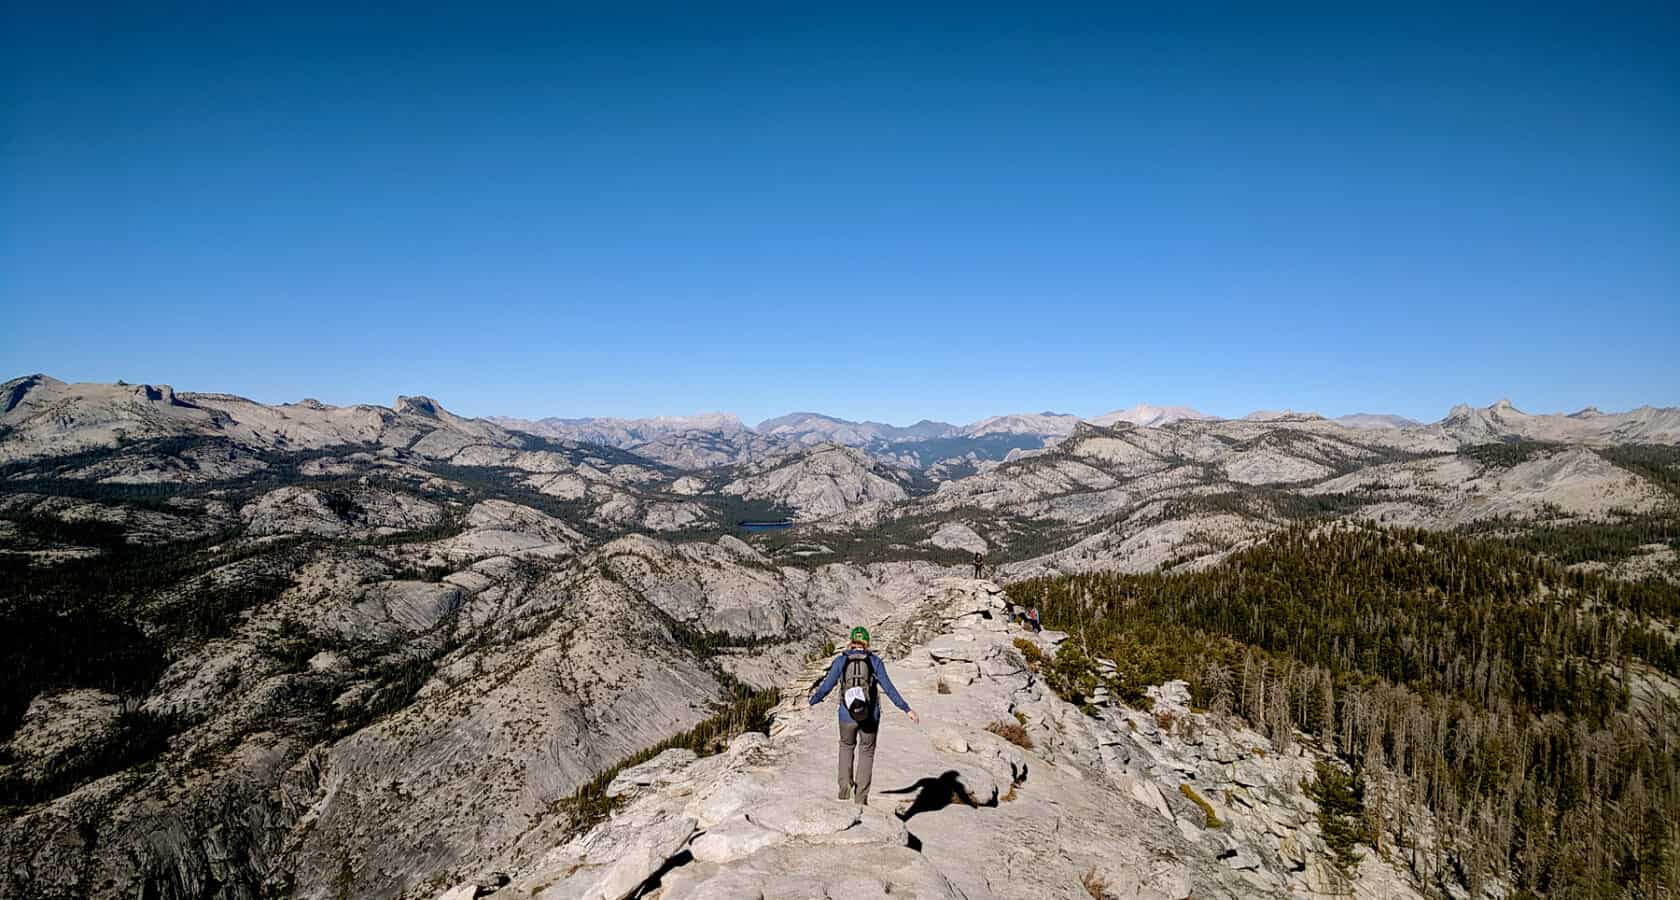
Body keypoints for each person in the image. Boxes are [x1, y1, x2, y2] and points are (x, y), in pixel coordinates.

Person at [809, 626, 919, 805]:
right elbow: (889, 688)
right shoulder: (874, 661)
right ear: (867, 642)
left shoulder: (841, 661)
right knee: (866, 752)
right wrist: (906, 709)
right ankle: (860, 797)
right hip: (870, 715)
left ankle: (844, 786)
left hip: (846, 714)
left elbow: (827, 686)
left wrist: (810, 702)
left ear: (851, 642)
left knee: (846, 746)